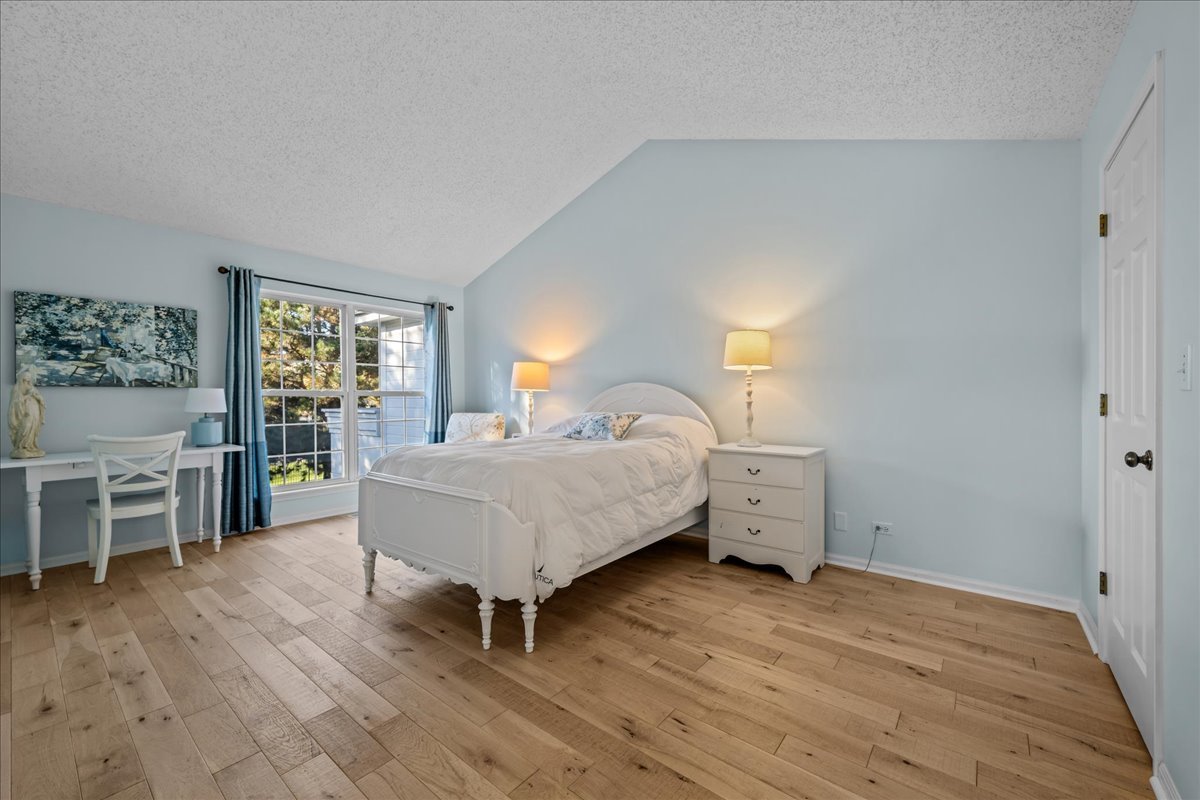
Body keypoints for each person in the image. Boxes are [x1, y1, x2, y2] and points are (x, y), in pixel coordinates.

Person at [8, 367, 46, 458]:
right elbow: (15, 403)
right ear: (22, 379)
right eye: (26, 379)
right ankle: (21, 447)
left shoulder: (32, 387)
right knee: (25, 429)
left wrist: (38, 397)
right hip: (26, 414)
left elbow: (41, 400)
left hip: (35, 413)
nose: (28, 381)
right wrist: (27, 396)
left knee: (33, 430)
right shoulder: (16, 388)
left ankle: (31, 446)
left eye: (29, 379)